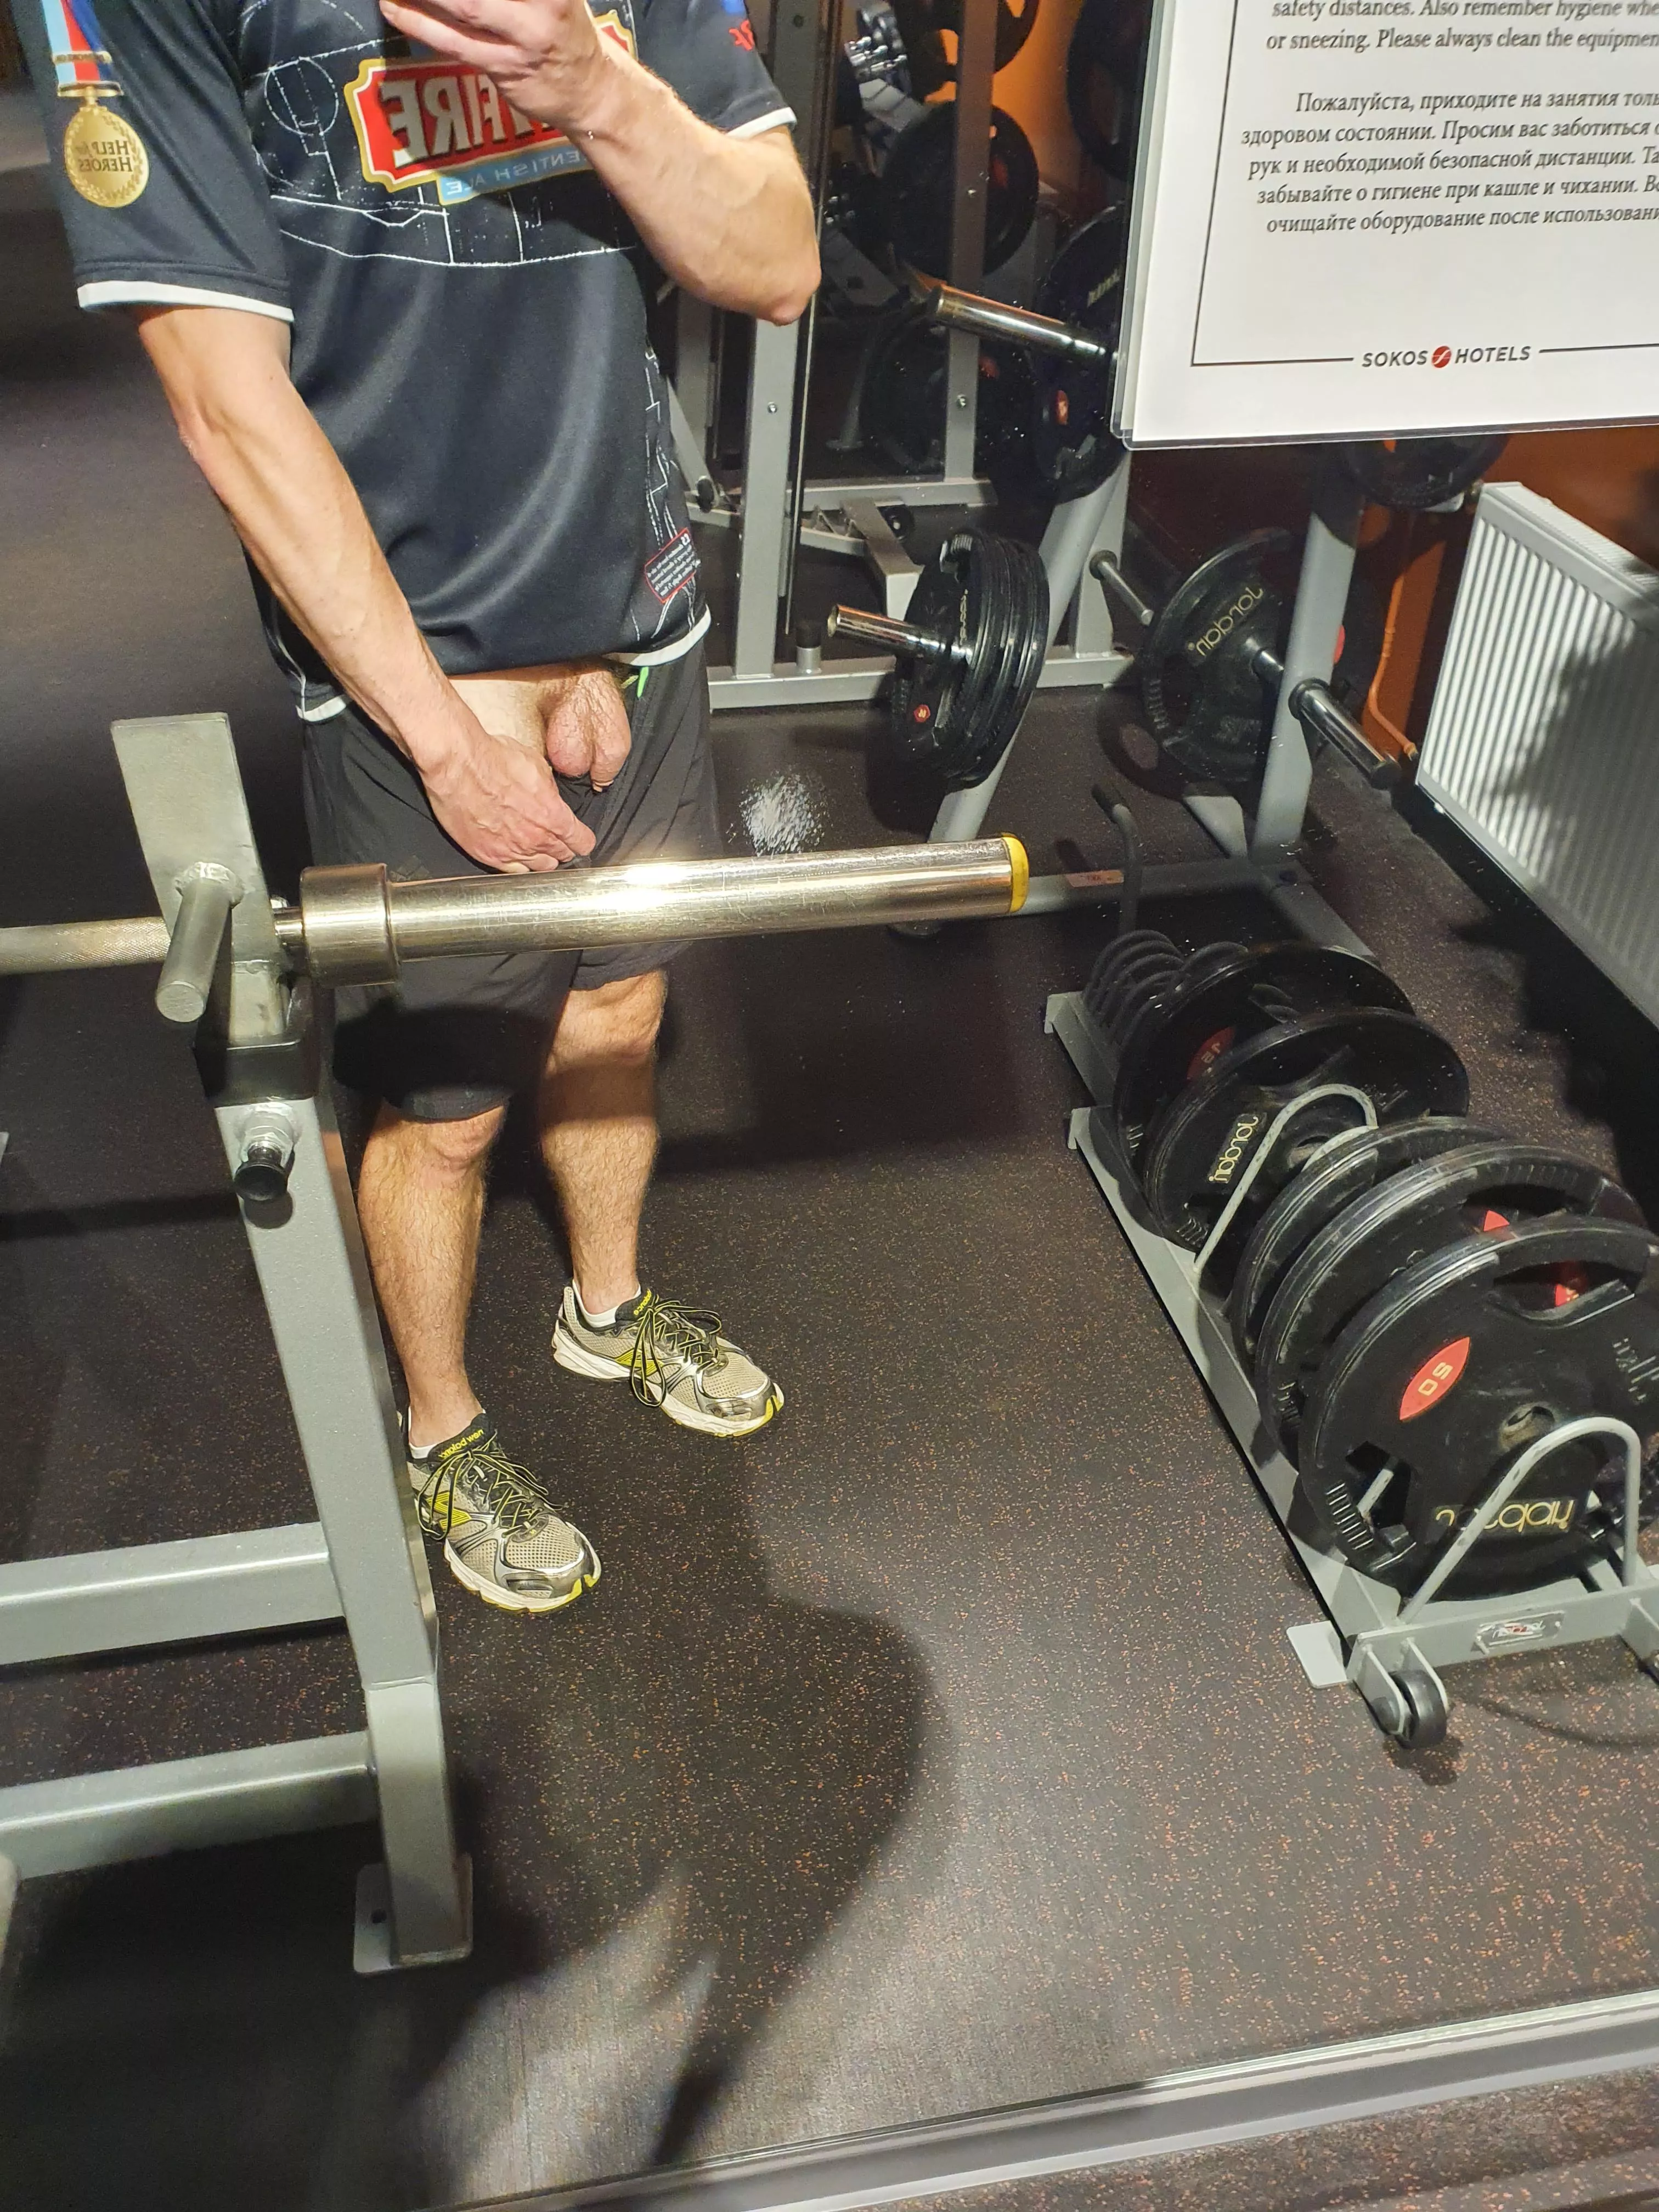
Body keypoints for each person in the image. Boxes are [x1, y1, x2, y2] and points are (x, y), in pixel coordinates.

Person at [21, 0, 819, 1617]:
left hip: (643, 611)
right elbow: (224, 402)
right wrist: (446, 742)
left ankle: (605, 1309)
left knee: (618, 1015)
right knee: (447, 1112)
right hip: (415, 665)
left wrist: (588, 81)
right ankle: (440, 1427)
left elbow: (780, 258)